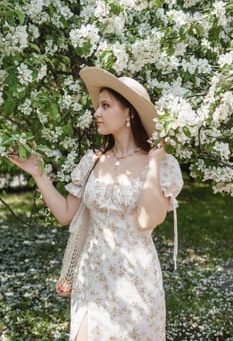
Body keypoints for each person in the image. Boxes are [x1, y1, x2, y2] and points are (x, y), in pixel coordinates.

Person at [8, 67, 183, 341]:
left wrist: (154, 163)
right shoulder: (92, 162)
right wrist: (38, 175)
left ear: (129, 113)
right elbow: (67, 215)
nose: (96, 113)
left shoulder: (161, 164)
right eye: (97, 106)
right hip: (91, 276)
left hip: (135, 280)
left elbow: (148, 220)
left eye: (105, 106)